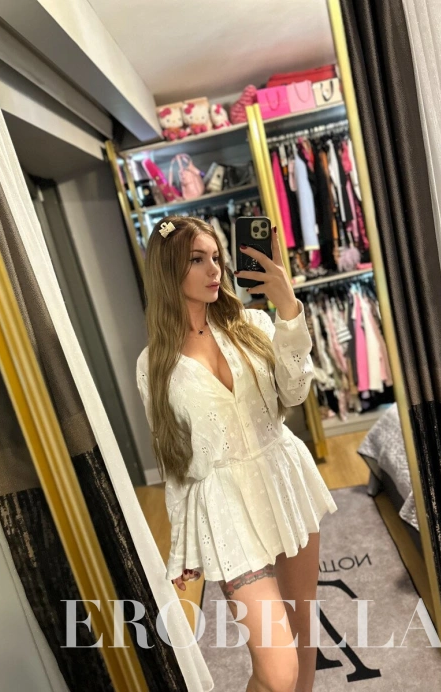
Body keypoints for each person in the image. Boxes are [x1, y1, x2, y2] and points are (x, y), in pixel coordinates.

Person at [136, 215, 338, 692]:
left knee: (303, 634)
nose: (214, 270)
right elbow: (174, 459)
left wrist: (288, 309)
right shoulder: (154, 364)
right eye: (196, 259)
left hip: (282, 481)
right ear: (167, 269)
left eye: (216, 257)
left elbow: (295, 392)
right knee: (277, 669)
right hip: (225, 506)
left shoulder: (254, 324)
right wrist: (183, 544)